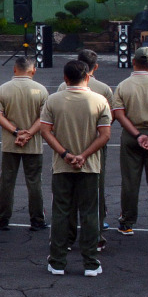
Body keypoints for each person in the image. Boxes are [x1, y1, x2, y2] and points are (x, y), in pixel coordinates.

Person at [38, 59, 112, 277]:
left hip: (62, 166)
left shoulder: (53, 100)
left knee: (61, 212)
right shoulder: (100, 100)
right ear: (87, 76)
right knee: (89, 214)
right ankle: (90, 262)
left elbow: (45, 131)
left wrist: (65, 154)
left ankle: (58, 261)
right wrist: (84, 156)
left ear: (65, 78)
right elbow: (105, 135)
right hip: (90, 167)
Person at [111, 47, 148, 236]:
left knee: (130, 181)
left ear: (133, 61)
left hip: (131, 135)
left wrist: (137, 135)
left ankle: (127, 222)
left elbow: (119, 115)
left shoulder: (123, 86)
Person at [55, 50, 113, 245]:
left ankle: (67, 238)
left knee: (65, 198)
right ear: (93, 68)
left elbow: (50, 124)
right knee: (94, 193)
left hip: (64, 146)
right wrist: (86, 153)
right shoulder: (103, 91)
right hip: (93, 146)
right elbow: (106, 126)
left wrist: (64, 151)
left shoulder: (62, 88)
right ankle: (94, 235)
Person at [0, 56, 49, 232]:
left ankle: (3, 219)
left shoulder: (3, 89)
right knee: (34, 182)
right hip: (33, 144)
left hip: (10, 143)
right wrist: (29, 133)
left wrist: (16, 132)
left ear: (14, 69)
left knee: (7, 181)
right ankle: (37, 219)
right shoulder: (41, 90)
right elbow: (44, 117)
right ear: (33, 71)